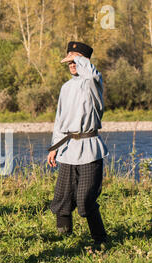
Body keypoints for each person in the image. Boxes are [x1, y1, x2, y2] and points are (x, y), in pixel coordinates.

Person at [47, 41, 108, 250]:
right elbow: (59, 119)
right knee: (62, 197)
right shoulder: (65, 88)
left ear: (85, 61)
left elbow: (90, 74)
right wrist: (54, 146)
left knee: (86, 199)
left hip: (90, 149)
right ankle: (64, 240)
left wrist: (79, 58)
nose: (72, 63)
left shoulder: (93, 82)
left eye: (76, 60)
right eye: (69, 60)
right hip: (67, 148)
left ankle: (100, 240)